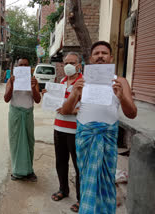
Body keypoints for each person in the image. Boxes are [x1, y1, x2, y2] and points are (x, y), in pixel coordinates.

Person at [61, 41, 137, 214]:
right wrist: (74, 94)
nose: (100, 56)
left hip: (108, 138)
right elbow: (65, 111)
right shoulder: (82, 82)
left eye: (104, 53)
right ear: (91, 59)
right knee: (88, 180)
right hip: (85, 138)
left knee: (105, 181)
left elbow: (132, 113)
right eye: (97, 53)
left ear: (111, 58)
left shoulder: (120, 82)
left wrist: (122, 97)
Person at [43, 52, 82, 212]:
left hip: (76, 130)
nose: (68, 66)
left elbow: (89, 106)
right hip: (59, 127)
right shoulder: (62, 81)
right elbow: (57, 103)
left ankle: (81, 198)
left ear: (79, 65)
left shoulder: (83, 83)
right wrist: (48, 97)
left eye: (72, 63)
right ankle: (63, 189)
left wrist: (73, 111)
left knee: (78, 165)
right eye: (66, 62)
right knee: (60, 161)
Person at [4, 57, 41, 182]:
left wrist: (33, 87)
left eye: (26, 65)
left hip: (28, 114)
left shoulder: (33, 81)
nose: (23, 67)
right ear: (17, 67)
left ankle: (29, 171)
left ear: (29, 68)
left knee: (30, 142)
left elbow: (37, 100)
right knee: (15, 143)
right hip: (15, 115)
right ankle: (17, 171)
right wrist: (12, 85)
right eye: (21, 65)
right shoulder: (11, 80)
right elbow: (6, 98)